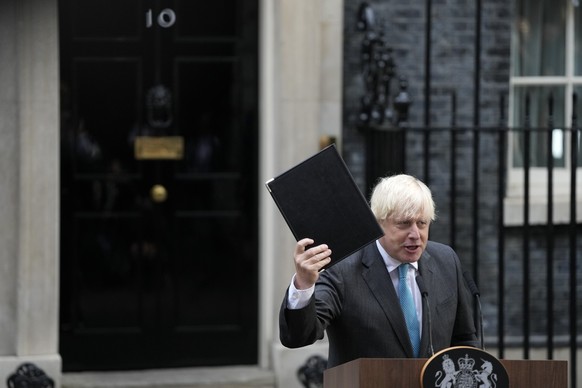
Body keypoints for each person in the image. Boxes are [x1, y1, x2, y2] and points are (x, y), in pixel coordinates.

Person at [279, 173, 479, 368]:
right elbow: (299, 336)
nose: (415, 235)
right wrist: (304, 285)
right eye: (404, 224)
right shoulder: (343, 269)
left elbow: (464, 340)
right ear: (377, 222)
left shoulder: (445, 260)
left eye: (422, 223)